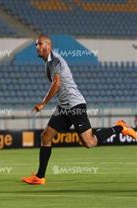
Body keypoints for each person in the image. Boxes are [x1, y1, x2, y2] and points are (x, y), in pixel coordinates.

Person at [21, 34, 137, 185]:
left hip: (75, 105)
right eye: (36, 44)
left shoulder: (55, 60)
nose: (36, 46)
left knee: (89, 143)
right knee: (46, 136)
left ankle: (119, 127)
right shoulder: (48, 64)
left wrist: (43, 103)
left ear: (48, 47)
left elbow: (56, 84)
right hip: (64, 107)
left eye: (39, 44)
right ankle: (40, 177)